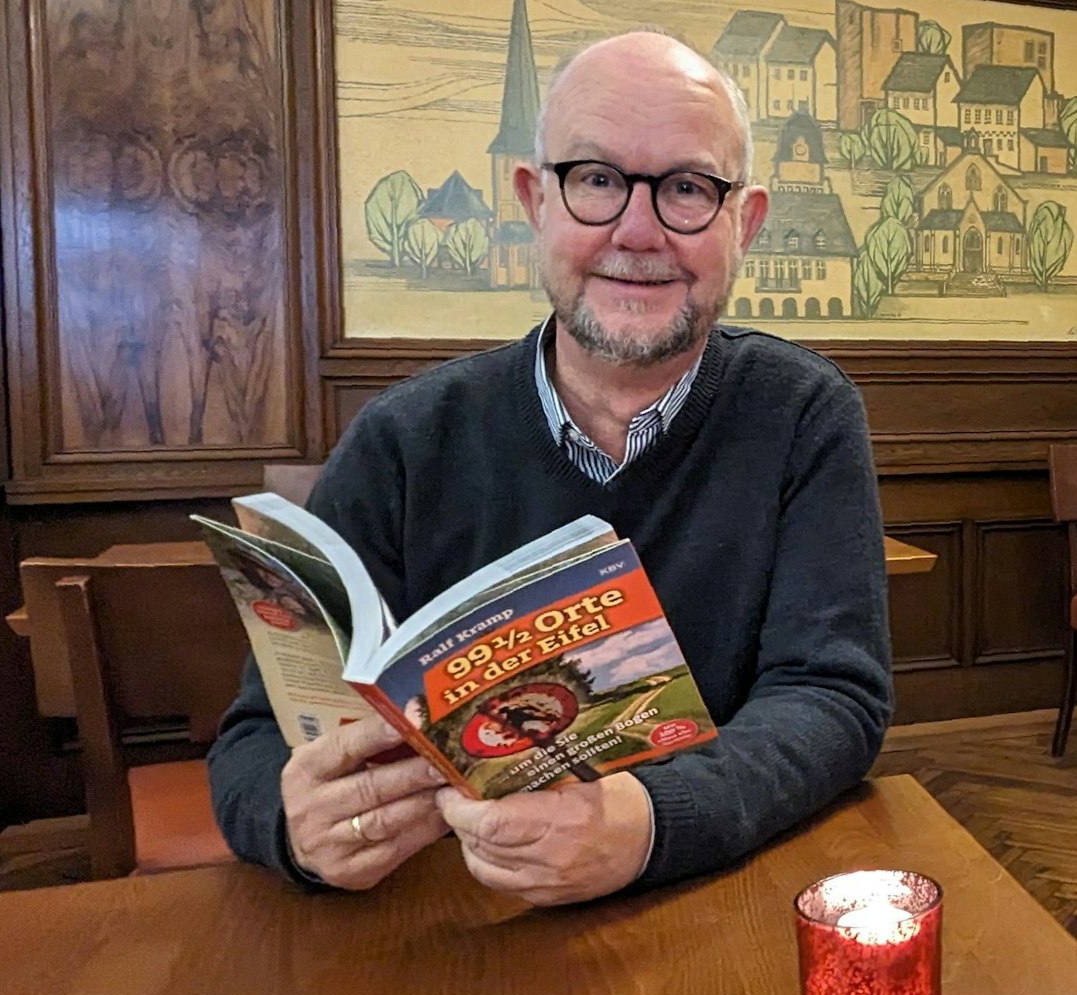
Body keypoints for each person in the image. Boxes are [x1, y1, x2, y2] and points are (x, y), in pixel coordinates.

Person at [206, 31, 892, 906]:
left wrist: (653, 821)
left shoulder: (804, 414)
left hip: (716, 901)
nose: (637, 231)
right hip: (447, 923)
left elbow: (833, 696)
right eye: (597, 180)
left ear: (744, 224)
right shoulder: (402, 441)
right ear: (535, 200)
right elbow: (253, 744)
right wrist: (295, 823)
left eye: (688, 188)